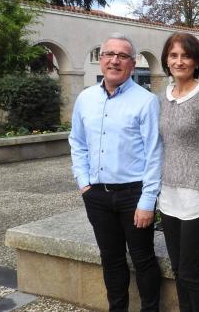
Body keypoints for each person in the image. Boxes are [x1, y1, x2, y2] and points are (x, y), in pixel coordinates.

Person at [70, 33, 163, 312]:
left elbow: (155, 153)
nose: (115, 60)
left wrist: (148, 201)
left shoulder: (146, 101)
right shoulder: (85, 99)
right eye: (109, 54)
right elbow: (77, 141)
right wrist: (83, 182)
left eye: (122, 56)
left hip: (133, 195)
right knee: (111, 258)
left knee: (143, 258)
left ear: (132, 64)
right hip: (97, 195)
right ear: (101, 60)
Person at [157, 32, 199, 312]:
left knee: (191, 268)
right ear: (167, 60)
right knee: (178, 267)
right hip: (168, 192)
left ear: (196, 61)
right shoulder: (162, 98)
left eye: (185, 55)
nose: (179, 61)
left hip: (197, 193)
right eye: (173, 55)